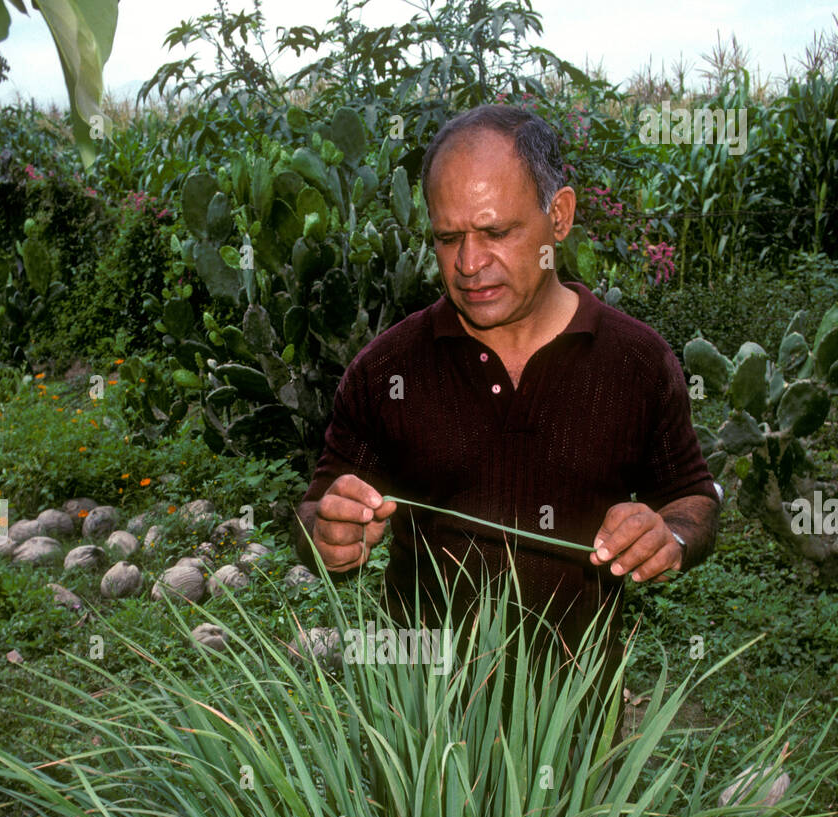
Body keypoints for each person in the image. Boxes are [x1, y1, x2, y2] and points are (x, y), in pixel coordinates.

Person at [293, 104, 721, 737]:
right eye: (447, 237)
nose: (469, 262)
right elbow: (314, 511)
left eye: (496, 232)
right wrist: (326, 532)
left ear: (560, 217)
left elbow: (692, 496)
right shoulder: (386, 368)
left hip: (576, 719)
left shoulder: (635, 361)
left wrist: (672, 536)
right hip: (422, 726)